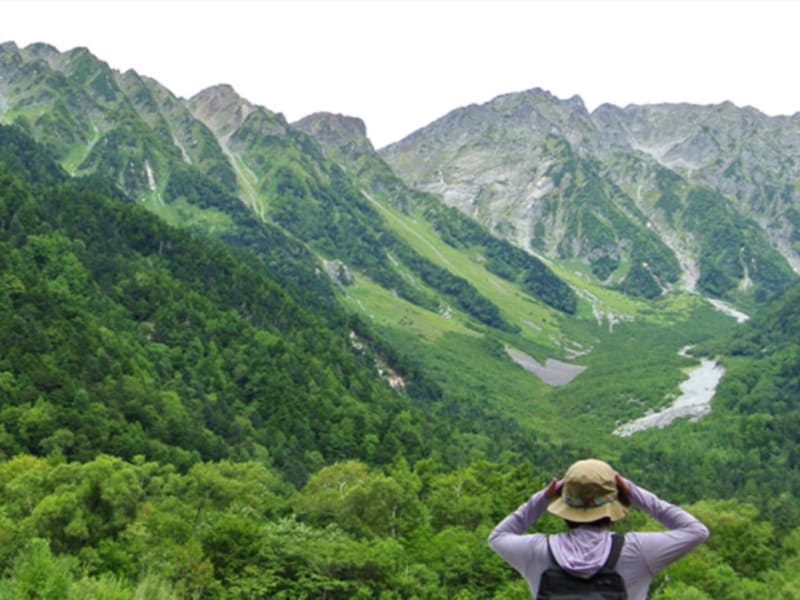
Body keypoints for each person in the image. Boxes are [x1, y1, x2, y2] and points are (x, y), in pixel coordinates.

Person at [488, 459, 709, 599]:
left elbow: (498, 536)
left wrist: (543, 497)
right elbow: (696, 530)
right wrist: (634, 492)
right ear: (613, 507)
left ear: (564, 506)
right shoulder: (638, 552)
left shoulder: (534, 551)